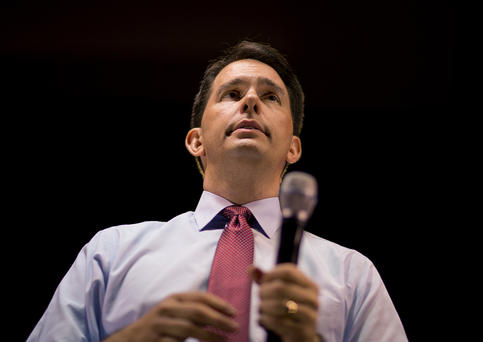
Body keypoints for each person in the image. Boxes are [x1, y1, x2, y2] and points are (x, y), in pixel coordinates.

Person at [27, 41, 408, 342]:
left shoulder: (352, 275)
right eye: (231, 93)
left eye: (271, 97)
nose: (250, 100)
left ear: (294, 146)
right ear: (196, 141)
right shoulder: (109, 255)